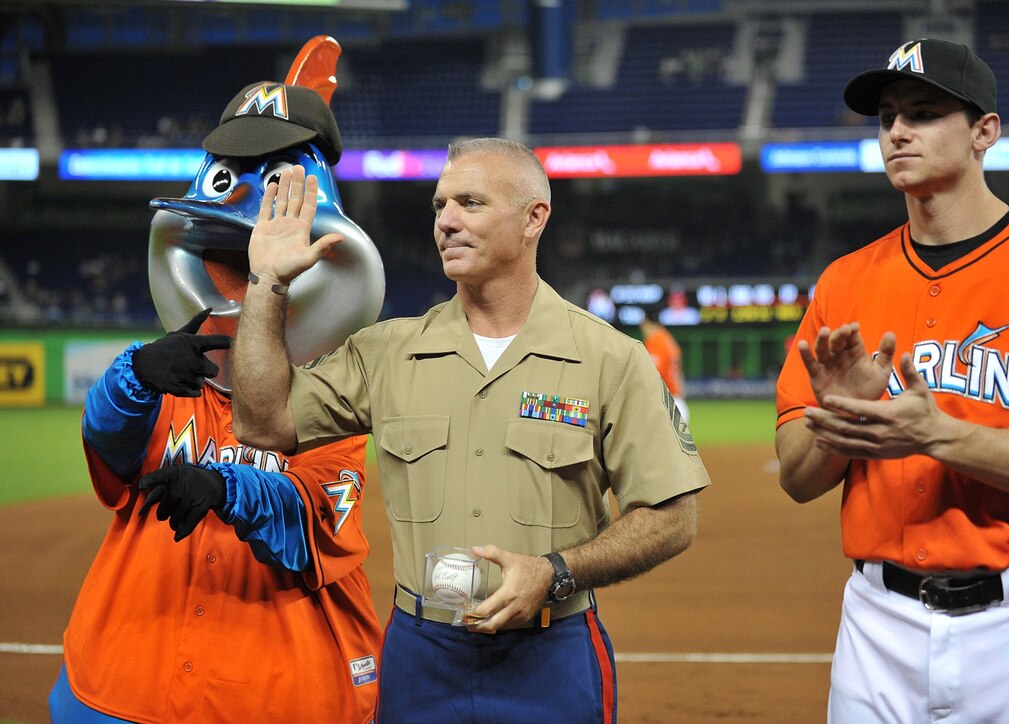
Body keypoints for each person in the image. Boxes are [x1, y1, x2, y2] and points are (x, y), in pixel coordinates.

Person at [231, 137, 711, 722]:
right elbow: (262, 421)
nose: (446, 222)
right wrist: (266, 285)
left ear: (534, 217)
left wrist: (556, 572)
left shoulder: (612, 359)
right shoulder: (387, 351)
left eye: (470, 203)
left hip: (551, 655)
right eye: (438, 207)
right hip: (421, 654)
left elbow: (673, 516)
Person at [50, 38, 385, 723]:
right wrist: (132, 375)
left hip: (275, 690)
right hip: (125, 676)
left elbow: (312, 520)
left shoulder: (331, 390)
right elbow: (108, 450)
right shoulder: (175, 370)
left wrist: (223, 487)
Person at [775, 38, 1009, 723]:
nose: (897, 132)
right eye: (887, 116)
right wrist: (846, 417)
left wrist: (939, 436)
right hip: (874, 626)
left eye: (922, 112)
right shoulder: (845, 280)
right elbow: (798, 479)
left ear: (985, 132)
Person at [640, 316, 689, 422]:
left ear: (647, 323)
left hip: (665, 403)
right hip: (676, 401)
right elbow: (678, 370)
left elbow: (654, 373)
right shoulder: (668, 338)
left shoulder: (655, 340)